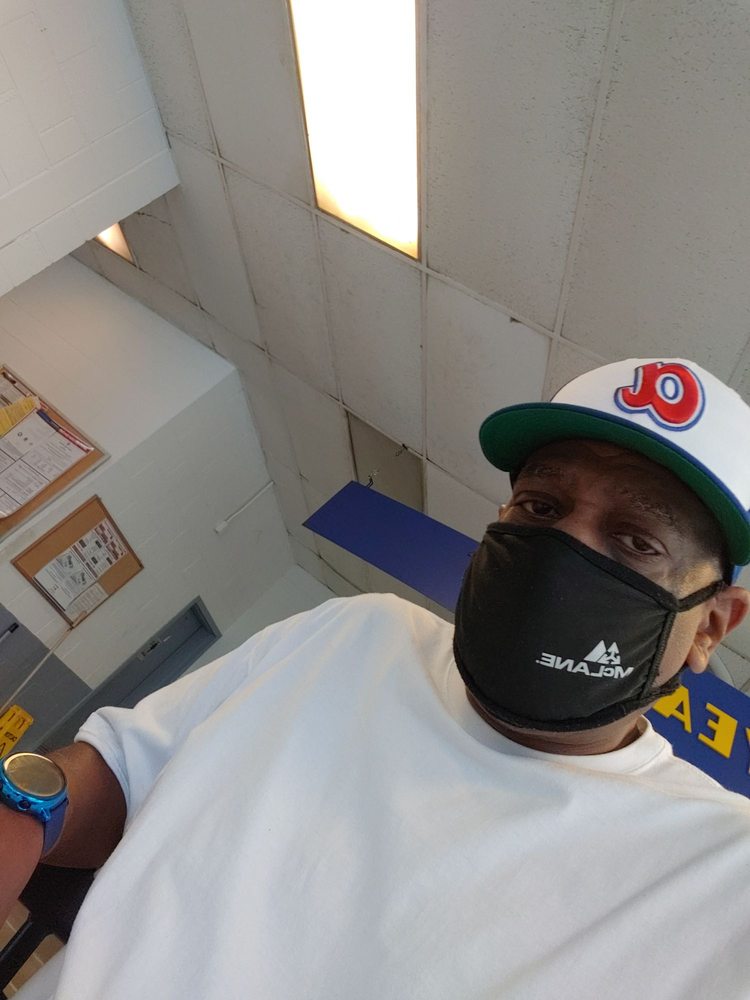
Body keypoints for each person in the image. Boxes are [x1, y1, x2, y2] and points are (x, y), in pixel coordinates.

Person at [2, 357, 750, 999]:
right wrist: (24, 806)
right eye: (540, 505)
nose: (563, 552)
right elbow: (123, 773)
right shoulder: (356, 632)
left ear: (712, 626)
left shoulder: (721, 872)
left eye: (636, 541)